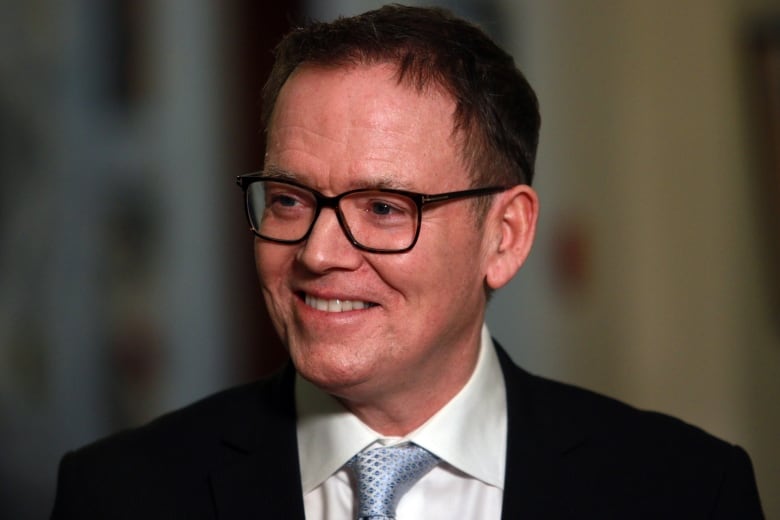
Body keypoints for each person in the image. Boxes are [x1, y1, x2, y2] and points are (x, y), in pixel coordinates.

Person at [51, 5, 763, 519]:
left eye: (385, 209)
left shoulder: (686, 491)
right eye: (292, 200)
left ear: (505, 236)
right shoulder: (118, 494)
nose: (318, 254)